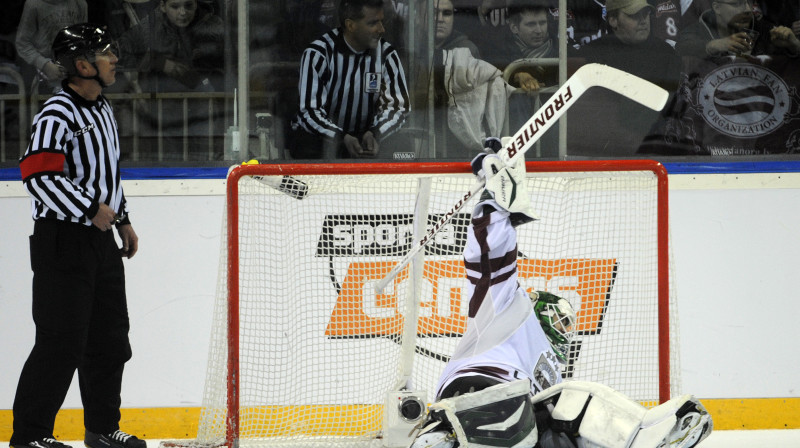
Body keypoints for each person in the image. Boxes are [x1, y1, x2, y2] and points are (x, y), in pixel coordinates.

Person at [409, 140, 714, 448]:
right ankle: (640, 437)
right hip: (474, 402)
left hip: (520, 426)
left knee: (562, 432)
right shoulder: (508, 312)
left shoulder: (548, 375)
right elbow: (490, 260)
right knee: (575, 400)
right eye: (559, 320)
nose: (563, 333)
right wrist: (496, 204)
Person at [11, 24, 144, 448]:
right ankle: (30, 436)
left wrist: (121, 218)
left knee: (110, 340)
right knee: (60, 344)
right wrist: (90, 208)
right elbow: (36, 175)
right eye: (107, 54)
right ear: (83, 65)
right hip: (62, 241)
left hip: (99, 242)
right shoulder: (56, 113)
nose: (115, 60)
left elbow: (107, 176)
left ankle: (102, 429)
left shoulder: (103, 109)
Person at [290, 0, 410, 159]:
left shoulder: (387, 55)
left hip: (365, 136)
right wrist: (339, 138)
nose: (382, 29)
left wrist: (376, 133)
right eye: (373, 23)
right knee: (306, 144)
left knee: (401, 145)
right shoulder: (318, 53)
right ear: (351, 25)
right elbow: (310, 111)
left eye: (381, 21)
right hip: (322, 141)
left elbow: (398, 107)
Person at [568, 0, 681, 156]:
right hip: (603, 150)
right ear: (613, 20)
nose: (643, 21)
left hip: (654, 148)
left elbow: (670, 108)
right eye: (634, 15)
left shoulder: (667, 55)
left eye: (646, 14)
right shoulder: (591, 54)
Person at [675, 0, 800, 59]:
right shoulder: (698, 31)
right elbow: (681, 49)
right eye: (737, 4)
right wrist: (714, 45)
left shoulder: (765, 30)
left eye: (749, 3)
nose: (747, 9)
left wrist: (794, 46)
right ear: (717, 8)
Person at [14, 0, 87, 91]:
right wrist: (44, 65)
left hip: (72, 72)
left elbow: (82, 40)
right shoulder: (34, 4)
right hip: (41, 77)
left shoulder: (79, 4)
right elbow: (22, 42)